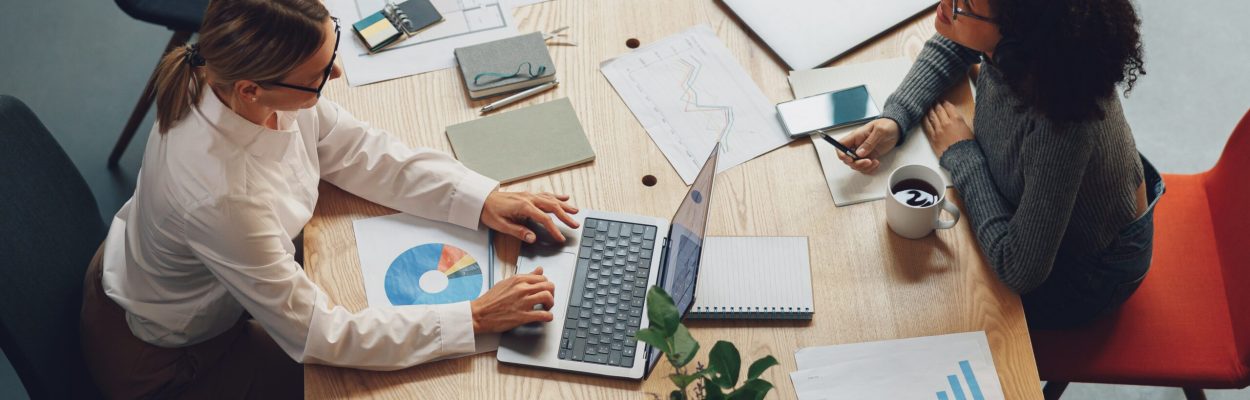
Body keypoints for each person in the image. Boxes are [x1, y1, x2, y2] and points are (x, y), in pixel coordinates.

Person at [79, 0, 579, 397]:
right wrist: (472, 318)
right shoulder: (221, 197)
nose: (335, 73)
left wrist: (482, 197)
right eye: (318, 76)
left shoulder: (224, 76)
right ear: (253, 90)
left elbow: (354, 148)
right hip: (173, 363)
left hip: (171, 276)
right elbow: (319, 333)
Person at [836, 0, 1163, 329]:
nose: (946, 5)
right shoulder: (1031, 52)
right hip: (1037, 219)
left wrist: (962, 153)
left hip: (1086, 276)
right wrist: (897, 117)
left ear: (1014, 43)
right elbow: (957, 39)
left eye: (963, 5)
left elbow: (1019, 269)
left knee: (937, 301)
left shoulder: (1062, 128)